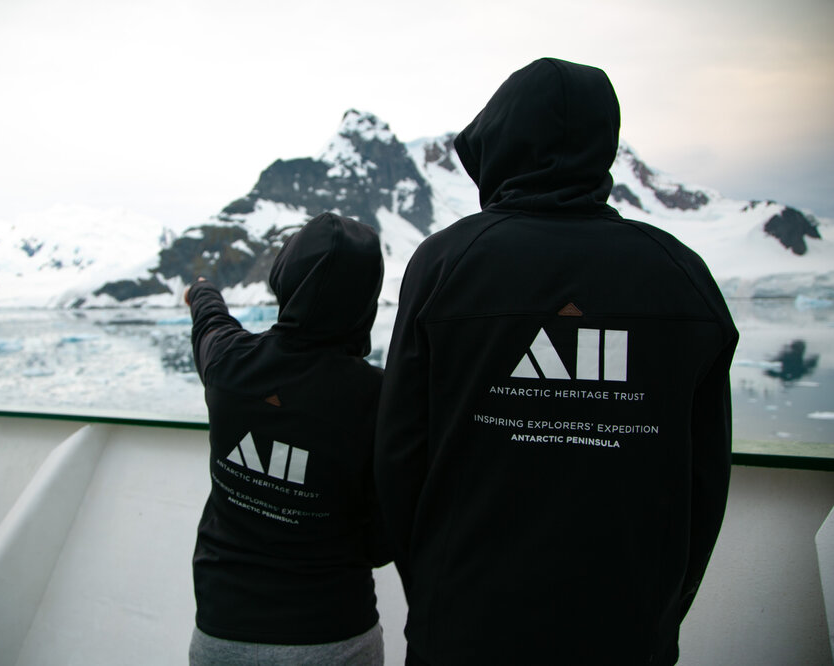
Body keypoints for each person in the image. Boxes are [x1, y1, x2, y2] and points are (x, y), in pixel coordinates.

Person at [374, 57, 738, 665]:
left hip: (465, 625)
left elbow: (398, 455)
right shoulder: (682, 276)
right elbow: (706, 480)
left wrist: (434, 589)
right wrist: (660, 608)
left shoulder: (446, 264)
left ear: (500, 141)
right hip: (626, 632)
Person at [184, 212, 389, 665]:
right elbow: (385, 539)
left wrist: (200, 290)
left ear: (285, 278)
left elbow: (209, 320)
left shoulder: (230, 362)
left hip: (221, 630)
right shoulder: (380, 398)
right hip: (334, 635)